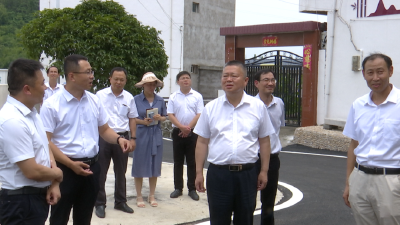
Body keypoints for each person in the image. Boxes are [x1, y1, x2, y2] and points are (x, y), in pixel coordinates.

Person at [40, 54, 132, 225]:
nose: (92, 76)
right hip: (64, 170)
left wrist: (119, 139)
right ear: (72, 76)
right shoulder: (52, 104)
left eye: (92, 71)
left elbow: (104, 129)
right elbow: (46, 142)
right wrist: (69, 164)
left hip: (91, 168)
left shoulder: (94, 100)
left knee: (84, 218)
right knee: (59, 218)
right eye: (87, 72)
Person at [194, 60, 274, 225]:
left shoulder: (257, 107)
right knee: (218, 220)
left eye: (233, 76)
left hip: (247, 174)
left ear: (245, 81)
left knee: (245, 220)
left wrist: (264, 171)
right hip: (219, 175)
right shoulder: (211, 108)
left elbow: (265, 141)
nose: (228, 79)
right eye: (225, 76)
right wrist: (198, 172)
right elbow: (202, 142)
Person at [0, 59, 63, 224]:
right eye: (42, 83)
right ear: (27, 89)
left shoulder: (32, 113)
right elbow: (31, 171)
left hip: (36, 197)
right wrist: (58, 173)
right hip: (20, 203)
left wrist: (54, 182)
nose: (45, 88)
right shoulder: (12, 120)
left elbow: (45, 145)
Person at [342, 53, 400, 224]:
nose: (375, 77)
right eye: (370, 73)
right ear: (363, 74)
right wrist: (349, 183)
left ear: (390, 71)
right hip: (360, 179)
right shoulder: (358, 105)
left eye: (380, 72)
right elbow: (354, 144)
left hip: (391, 181)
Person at [94, 67, 138, 218]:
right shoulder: (99, 95)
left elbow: (132, 118)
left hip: (123, 138)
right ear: (110, 79)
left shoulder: (129, 98)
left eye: (122, 80)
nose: (119, 82)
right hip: (104, 137)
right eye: (116, 79)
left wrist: (133, 138)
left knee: (121, 172)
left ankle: (120, 201)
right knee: (101, 172)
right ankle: (99, 203)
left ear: (126, 81)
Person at [254, 69, 285, 225]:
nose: (270, 83)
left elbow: (279, 127)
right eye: (266, 80)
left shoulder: (279, 103)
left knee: (268, 203)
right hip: (252, 159)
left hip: (272, 159)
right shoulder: (250, 105)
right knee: (247, 201)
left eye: (272, 79)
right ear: (256, 83)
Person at [132, 72, 167, 208]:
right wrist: (143, 122)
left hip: (156, 134)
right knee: (139, 164)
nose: (151, 86)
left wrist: (160, 118)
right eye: (148, 84)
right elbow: (132, 118)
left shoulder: (160, 100)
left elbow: (165, 116)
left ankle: (151, 194)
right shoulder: (136, 100)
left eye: (153, 84)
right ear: (143, 85)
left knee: (155, 165)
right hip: (141, 134)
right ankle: (139, 195)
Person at [168, 71, 204, 201]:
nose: (186, 80)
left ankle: (192, 189)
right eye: (183, 78)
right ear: (178, 82)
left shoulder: (197, 96)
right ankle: (178, 188)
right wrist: (182, 127)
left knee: (192, 161)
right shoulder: (173, 97)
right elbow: (170, 114)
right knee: (177, 161)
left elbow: (200, 113)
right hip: (178, 132)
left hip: (193, 133)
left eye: (188, 78)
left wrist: (188, 128)